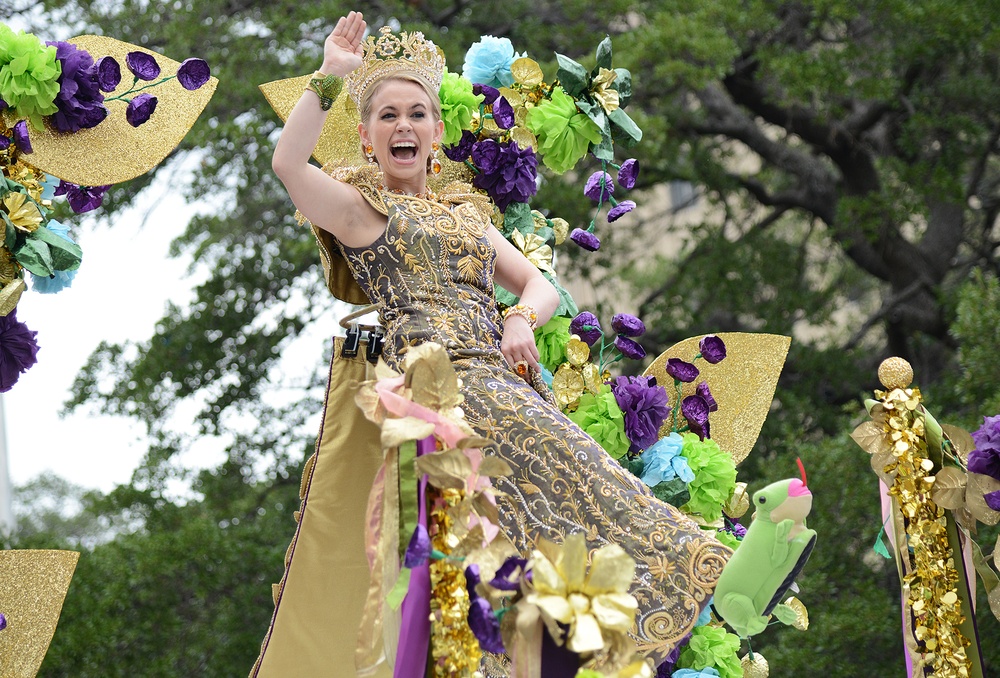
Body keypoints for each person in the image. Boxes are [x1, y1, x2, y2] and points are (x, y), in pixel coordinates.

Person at [265, 10, 730, 673]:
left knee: (564, 505)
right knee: (572, 473)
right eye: (388, 115)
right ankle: (697, 564)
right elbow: (287, 163)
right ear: (368, 139)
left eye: (417, 114)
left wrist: (519, 320)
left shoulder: (465, 214)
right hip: (443, 394)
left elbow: (540, 287)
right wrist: (330, 76)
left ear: (434, 134)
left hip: (502, 379)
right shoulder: (360, 213)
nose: (403, 125)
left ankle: (632, 614)